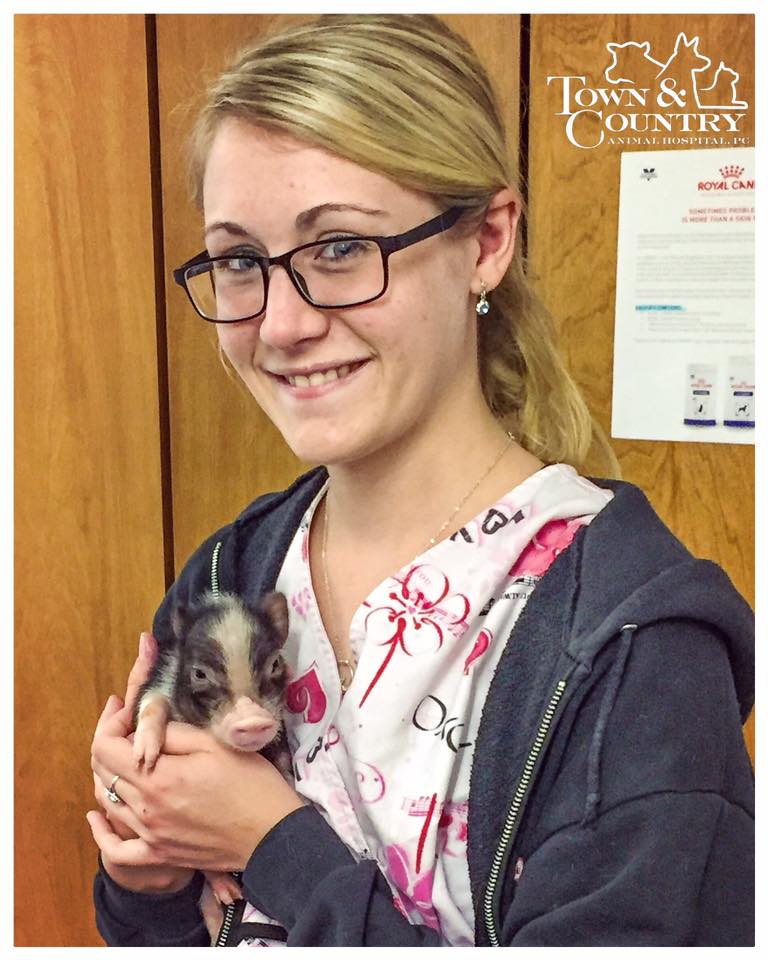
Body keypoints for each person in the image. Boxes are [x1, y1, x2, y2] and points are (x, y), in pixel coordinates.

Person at [87, 14, 754, 947]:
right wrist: (148, 874)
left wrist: (277, 843)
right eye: (241, 261)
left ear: (485, 239)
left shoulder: (632, 646)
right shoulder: (227, 580)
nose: (280, 325)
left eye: (340, 248)